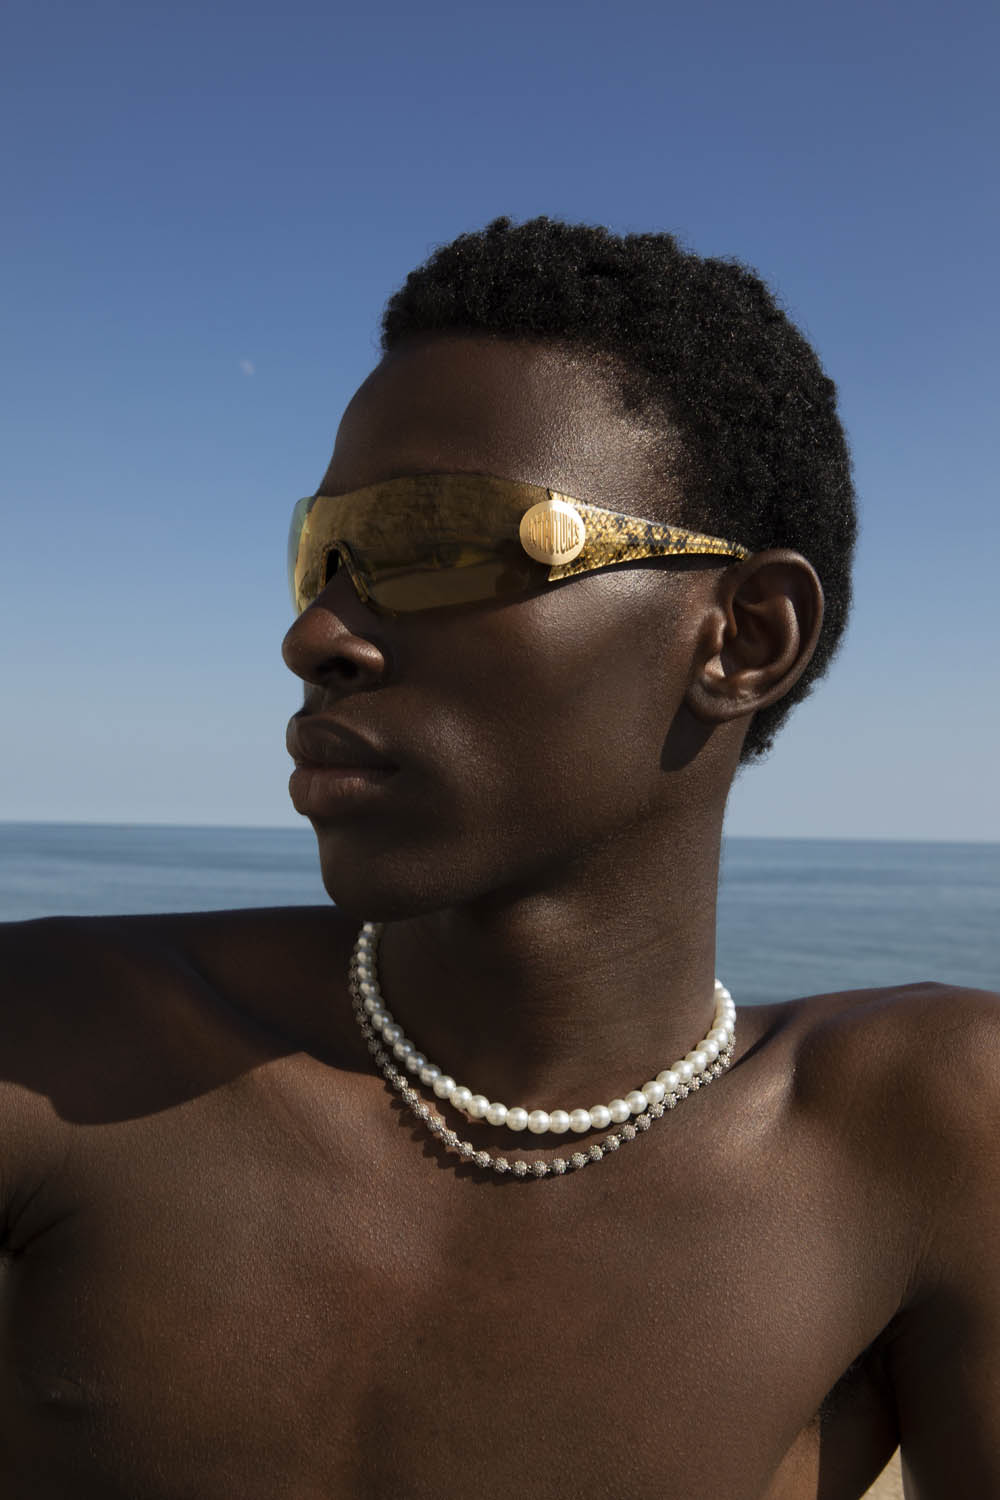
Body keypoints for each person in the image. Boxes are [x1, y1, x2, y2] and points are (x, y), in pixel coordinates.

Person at [2, 216, 997, 1499]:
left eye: (439, 542)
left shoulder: (915, 1137)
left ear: (743, 638)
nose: (316, 634)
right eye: (323, 554)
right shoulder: (53, 1046)